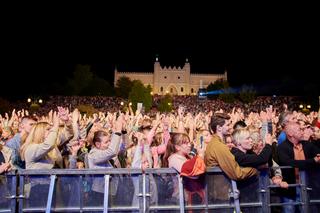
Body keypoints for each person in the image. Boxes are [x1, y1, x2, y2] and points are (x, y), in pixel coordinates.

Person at [277, 121, 320, 213]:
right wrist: (313, 161)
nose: (302, 131)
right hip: (290, 189)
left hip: (308, 188)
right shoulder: (282, 148)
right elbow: (289, 162)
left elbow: (318, 153)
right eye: (299, 129)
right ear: (290, 133)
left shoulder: (307, 144)